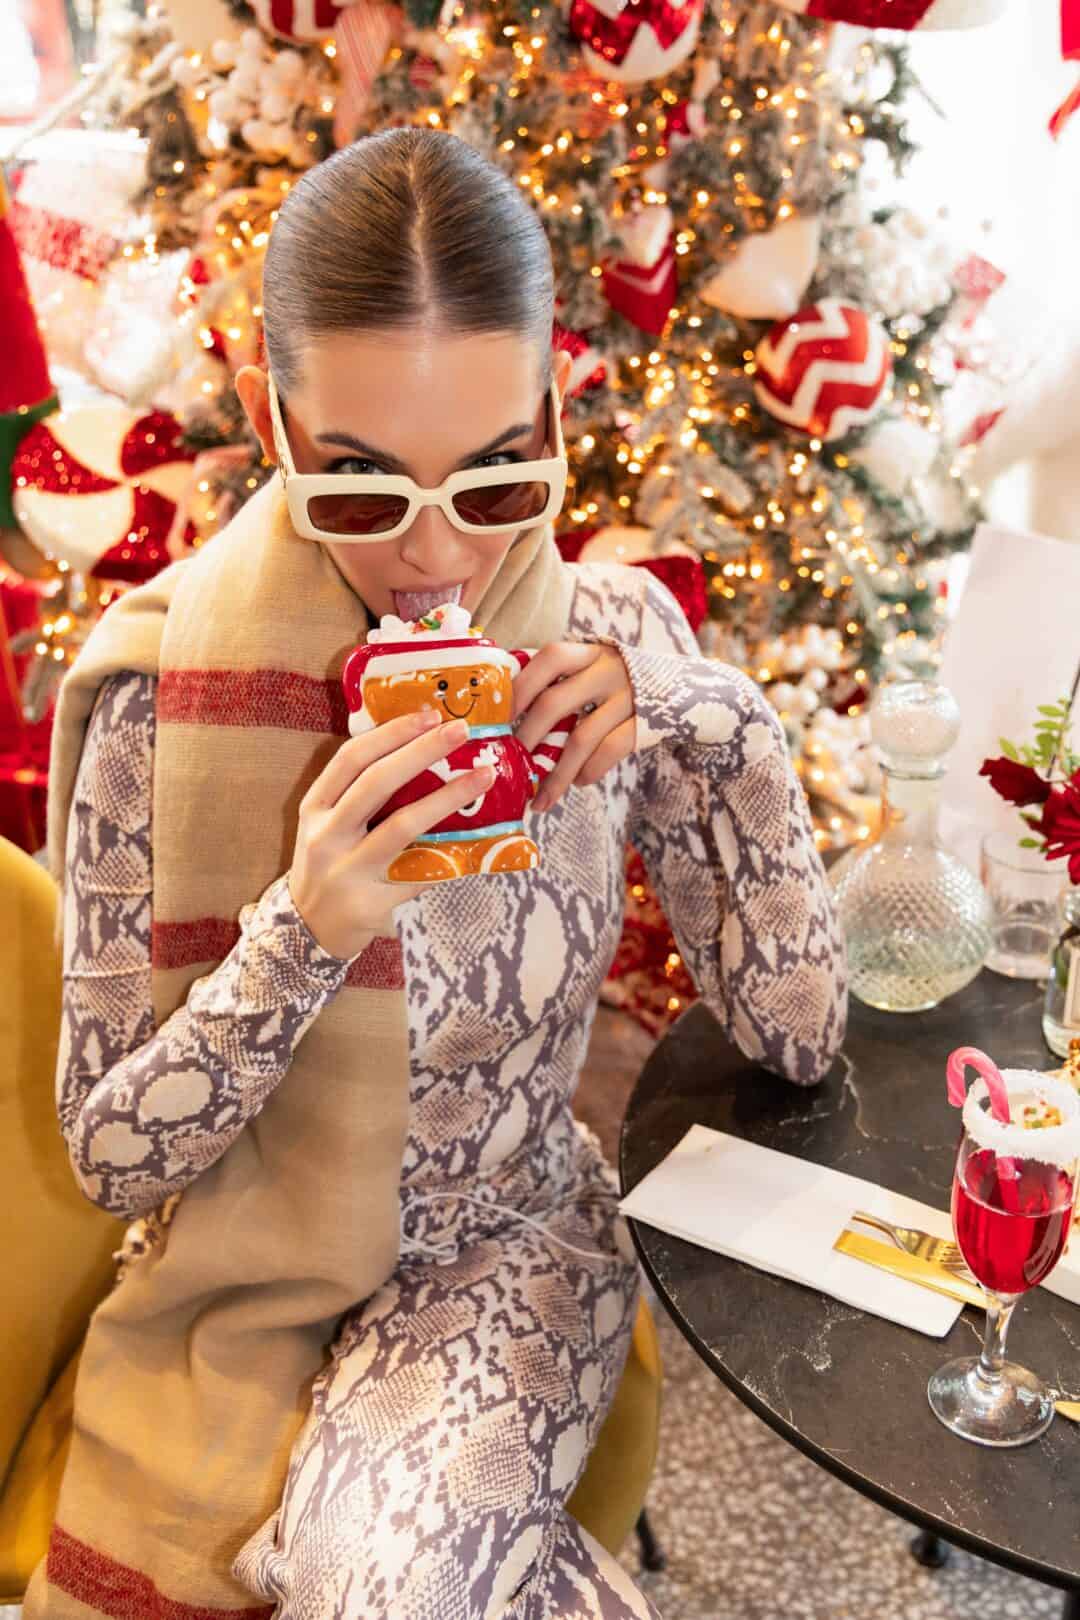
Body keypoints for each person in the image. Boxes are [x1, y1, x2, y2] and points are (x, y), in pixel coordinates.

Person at [28, 127, 847, 1620]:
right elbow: (111, 1159)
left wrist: (698, 713)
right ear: (279, 425)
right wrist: (306, 928)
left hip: (506, 1242)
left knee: (380, 1587)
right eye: (356, 487)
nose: (432, 560)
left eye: (494, 480)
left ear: (549, 412)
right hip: (239, 1286)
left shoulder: (608, 643)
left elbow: (799, 1031)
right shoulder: (160, 693)